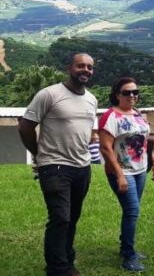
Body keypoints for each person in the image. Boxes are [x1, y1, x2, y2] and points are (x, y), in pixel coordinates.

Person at [18, 53, 98, 276]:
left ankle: (67, 262)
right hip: (55, 166)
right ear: (69, 68)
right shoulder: (49, 94)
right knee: (60, 218)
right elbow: (25, 126)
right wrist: (38, 154)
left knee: (72, 218)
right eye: (80, 65)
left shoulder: (92, 99)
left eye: (90, 67)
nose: (85, 70)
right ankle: (56, 269)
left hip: (82, 167)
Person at [98, 77, 154, 272]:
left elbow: (144, 141)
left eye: (135, 92)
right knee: (132, 210)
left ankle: (126, 247)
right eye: (126, 92)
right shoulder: (110, 116)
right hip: (121, 171)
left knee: (131, 210)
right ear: (117, 95)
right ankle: (128, 256)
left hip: (140, 170)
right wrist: (119, 175)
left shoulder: (137, 114)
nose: (132, 95)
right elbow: (106, 148)